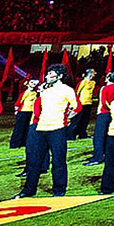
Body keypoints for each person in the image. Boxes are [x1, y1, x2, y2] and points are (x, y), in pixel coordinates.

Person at [18, 66, 77, 198]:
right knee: (34, 161)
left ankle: (59, 189)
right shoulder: (45, 91)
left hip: (57, 129)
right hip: (41, 128)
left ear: (59, 76)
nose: (47, 76)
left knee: (58, 160)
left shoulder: (67, 90)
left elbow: (76, 107)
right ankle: (28, 190)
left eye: (51, 74)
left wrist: (67, 118)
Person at [88, 71, 114, 165]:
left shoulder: (105, 88)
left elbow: (104, 101)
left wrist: (109, 109)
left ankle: (98, 157)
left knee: (99, 136)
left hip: (105, 113)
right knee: (109, 135)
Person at [10, 79, 39, 149]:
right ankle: (15, 143)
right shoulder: (25, 92)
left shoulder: (35, 93)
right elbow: (19, 101)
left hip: (31, 112)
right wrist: (16, 110)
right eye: (31, 82)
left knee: (27, 128)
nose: (33, 84)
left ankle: (24, 142)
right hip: (23, 112)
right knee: (19, 128)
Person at [72, 70, 98, 140]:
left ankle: (82, 133)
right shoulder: (83, 82)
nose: (95, 74)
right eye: (93, 72)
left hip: (89, 102)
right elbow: (78, 91)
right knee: (78, 119)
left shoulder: (93, 82)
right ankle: (72, 134)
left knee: (85, 119)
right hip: (82, 102)